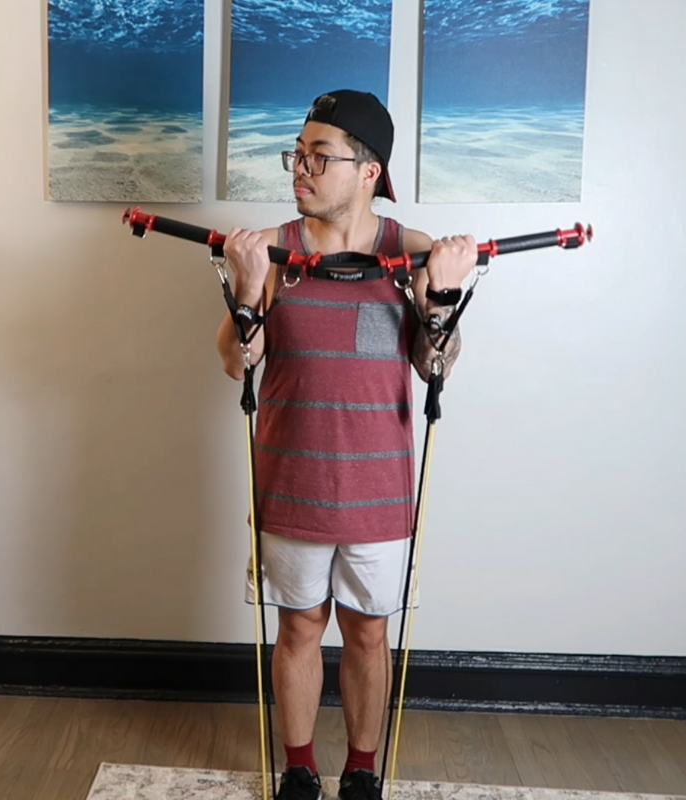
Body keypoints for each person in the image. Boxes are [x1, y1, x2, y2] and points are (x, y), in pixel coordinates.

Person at [216, 90, 477, 800]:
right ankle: (299, 768)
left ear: (368, 171)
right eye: (297, 154)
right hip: (290, 484)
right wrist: (246, 288)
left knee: (368, 633)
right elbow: (237, 363)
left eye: (318, 156)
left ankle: (362, 772)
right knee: (299, 629)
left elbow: (435, 365)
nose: (299, 169)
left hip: (379, 492)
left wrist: (442, 297)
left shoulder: (410, 251)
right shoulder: (271, 251)